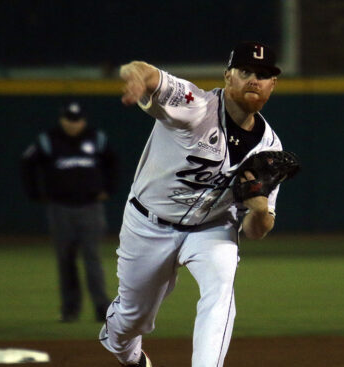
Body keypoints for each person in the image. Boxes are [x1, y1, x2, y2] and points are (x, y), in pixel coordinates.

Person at [99, 41, 285, 367]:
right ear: (228, 76)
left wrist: (259, 210)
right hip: (149, 223)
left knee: (220, 289)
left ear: (273, 84)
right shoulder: (194, 105)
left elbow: (256, 231)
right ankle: (124, 350)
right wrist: (135, 76)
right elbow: (146, 72)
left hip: (212, 226)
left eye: (263, 74)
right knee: (132, 319)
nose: (255, 79)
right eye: (246, 72)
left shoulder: (270, 148)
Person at [20, 101, 117, 323]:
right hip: (60, 208)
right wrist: (34, 192)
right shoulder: (48, 140)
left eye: (77, 120)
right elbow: (26, 163)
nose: (73, 124)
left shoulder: (97, 138)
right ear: (61, 119)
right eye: (69, 120)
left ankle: (102, 307)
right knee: (66, 260)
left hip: (90, 207)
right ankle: (70, 309)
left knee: (92, 258)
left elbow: (113, 162)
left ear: (84, 119)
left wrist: (108, 189)